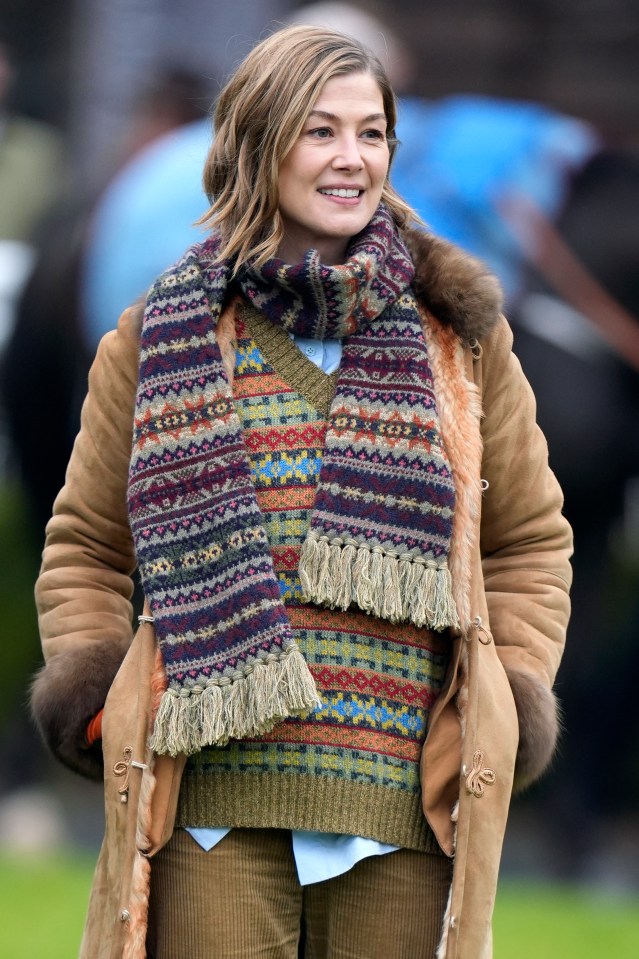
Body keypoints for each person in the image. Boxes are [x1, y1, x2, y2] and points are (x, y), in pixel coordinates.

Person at [31, 24, 572, 959]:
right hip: (207, 818)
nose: (351, 159)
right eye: (320, 131)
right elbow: (86, 543)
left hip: (408, 819)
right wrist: (92, 688)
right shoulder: (158, 337)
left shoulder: (462, 344)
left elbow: (529, 539)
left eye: (372, 134)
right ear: (258, 142)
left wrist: (511, 692)